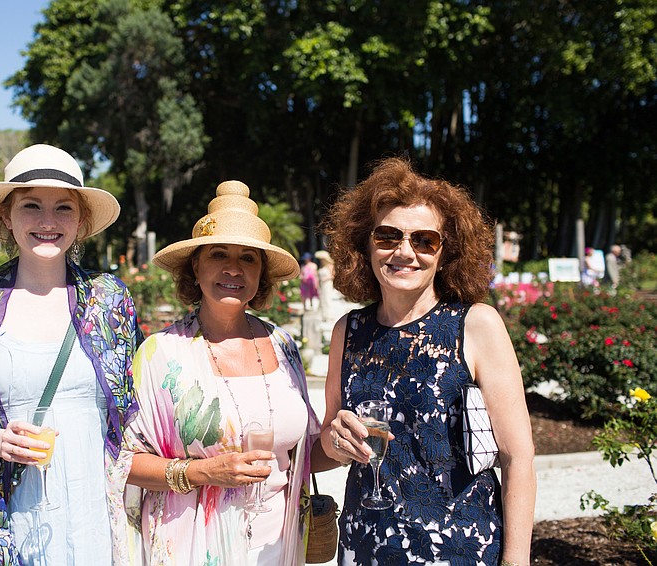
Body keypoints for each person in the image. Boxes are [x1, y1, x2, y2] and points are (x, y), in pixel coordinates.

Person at [0, 144, 141, 565]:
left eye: (63, 208)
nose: (48, 222)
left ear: (82, 221)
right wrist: (0, 442)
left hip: (100, 513)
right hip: (11, 514)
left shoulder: (109, 301)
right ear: (7, 217)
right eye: (31, 206)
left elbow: (138, 409)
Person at [319, 157, 535, 565]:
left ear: (445, 251)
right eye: (387, 236)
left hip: (458, 546)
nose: (405, 251)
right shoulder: (347, 331)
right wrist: (337, 440)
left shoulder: (476, 324)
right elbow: (328, 447)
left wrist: (516, 560)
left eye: (424, 240)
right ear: (364, 244)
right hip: (366, 544)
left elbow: (517, 457)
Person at [124, 180, 335, 565]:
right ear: (196, 265)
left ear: (261, 272)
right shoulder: (160, 355)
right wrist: (204, 472)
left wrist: (341, 446)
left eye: (248, 258)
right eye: (218, 253)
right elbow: (123, 463)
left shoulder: (283, 345)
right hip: (192, 547)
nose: (233, 268)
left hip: (279, 546)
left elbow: (303, 454)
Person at [314, 250, 335, 322]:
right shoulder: (321, 266)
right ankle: (324, 315)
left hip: (327, 284)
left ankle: (329, 316)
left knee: (327, 299)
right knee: (322, 299)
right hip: (322, 284)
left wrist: (325, 279)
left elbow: (333, 276)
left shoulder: (330, 266)